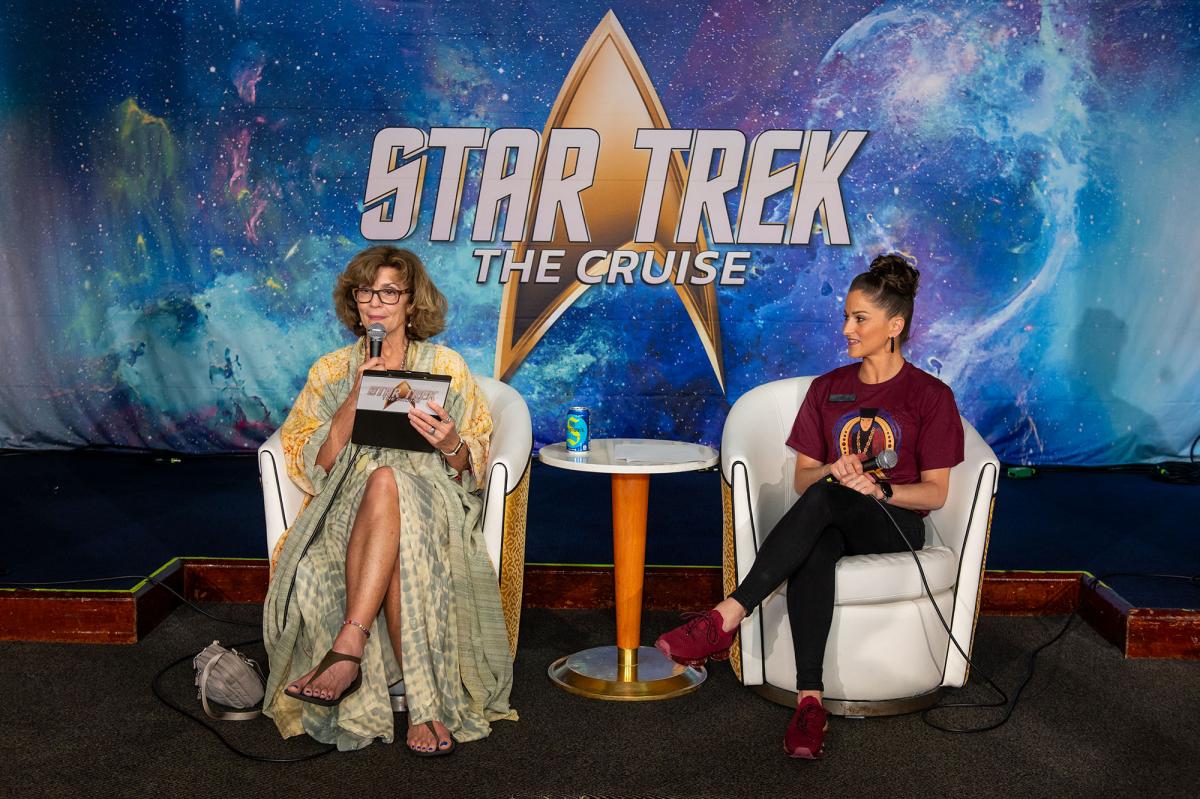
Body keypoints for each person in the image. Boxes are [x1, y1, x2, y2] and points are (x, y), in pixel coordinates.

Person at [655, 253, 963, 759]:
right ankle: (810, 703)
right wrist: (835, 470)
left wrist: (879, 490)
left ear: (894, 326)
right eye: (845, 316)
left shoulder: (931, 396)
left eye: (859, 319)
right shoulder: (827, 389)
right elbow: (804, 480)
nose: (846, 329)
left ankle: (727, 616)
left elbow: (936, 492)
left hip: (894, 523)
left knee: (829, 495)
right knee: (817, 543)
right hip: (833, 515)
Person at [262, 245, 517, 754]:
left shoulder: (446, 365)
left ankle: (347, 646)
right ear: (354, 301)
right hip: (348, 499)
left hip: (432, 493)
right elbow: (312, 463)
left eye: (389, 293)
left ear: (411, 302)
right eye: (366, 292)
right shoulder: (331, 371)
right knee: (382, 509)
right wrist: (355, 397)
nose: (376, 303)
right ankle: (426, 710)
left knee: (388, 479)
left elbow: (475, 460)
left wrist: (452, 443)